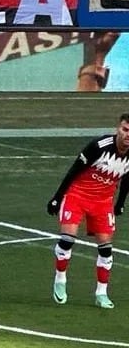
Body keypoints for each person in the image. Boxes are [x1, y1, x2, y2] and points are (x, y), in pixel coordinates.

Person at [47, 114, 129, 308]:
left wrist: (120, 203)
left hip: (103, 202)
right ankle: (60, 279)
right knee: (67, 241)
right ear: (118, 128)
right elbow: (74, 170)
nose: (128, 135)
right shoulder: (99, 146)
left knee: (106, 249)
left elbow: (127, 178)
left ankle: (101, 293)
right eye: (125, 130)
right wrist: (57, 197)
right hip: (77, 195)